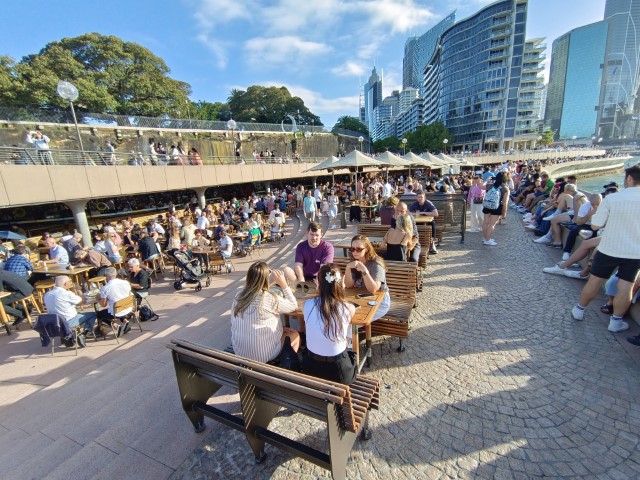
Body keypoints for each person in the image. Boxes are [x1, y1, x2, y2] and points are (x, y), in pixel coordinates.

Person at [570, 164, 640, 337]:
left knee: (594, 281)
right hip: (635, 252)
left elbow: (595, 225)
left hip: (609, 248)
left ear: (630, 178)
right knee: (627, 286)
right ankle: (615, 321)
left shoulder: (612, 199)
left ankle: (580, 310)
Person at [231, 262, 300, 363]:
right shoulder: (269, 298)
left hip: (239, 351)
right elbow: (293, 305)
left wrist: (280, 329)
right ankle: (287, 362)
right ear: (265, 279)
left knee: (284, 331)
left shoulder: (238, 296)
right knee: (295, 335)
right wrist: (284, 285)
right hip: (262, 356)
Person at [301, 264, 357, 385]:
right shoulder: (349, 308)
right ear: (340, 282)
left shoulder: (306, 304)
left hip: (310, 368)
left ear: (318, 282)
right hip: (339, 372)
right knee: (347, 339)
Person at [344, 235, 390, 321]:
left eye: (358, 249)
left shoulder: (376, 264)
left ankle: (353, 333)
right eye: (352, 249)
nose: (355, 252)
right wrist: (348, 268)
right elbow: (349, 285)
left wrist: (364, 271)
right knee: (345, 317)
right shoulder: (355, 262)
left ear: (367, 249)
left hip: (380, 301)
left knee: (354, 321)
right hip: (362, 298)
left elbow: (373, 289)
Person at [43, 276, 97, 345]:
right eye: (70, 281)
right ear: (65, 284)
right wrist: (79, 290)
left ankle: (66, 336)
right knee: (92, 314)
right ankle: (84, 334)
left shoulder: (47, 294)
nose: (71, 283)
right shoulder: (66, 293)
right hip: (68, 321)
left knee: (76, 313)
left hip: (54, 323)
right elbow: (82, 301)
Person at [97, 267, 133, 338]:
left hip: (117, 310)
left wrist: (98, 299)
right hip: (128, 307)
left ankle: (117, 326)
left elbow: (103, 305)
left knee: (99, 314)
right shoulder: (126, 282)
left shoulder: (105, 288)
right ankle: (125, 321)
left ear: (106, 276)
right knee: (119, 305)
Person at [481, 171, 510, 246]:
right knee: (492, 224)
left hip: (487, 205)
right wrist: (504, 213)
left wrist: (487, 180)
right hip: (497, 207)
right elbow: (505, 202)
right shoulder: (505, 189)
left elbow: (482, 186)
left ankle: (485, 238)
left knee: (485, 222)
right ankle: (488, 239)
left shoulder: (491, 185)